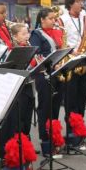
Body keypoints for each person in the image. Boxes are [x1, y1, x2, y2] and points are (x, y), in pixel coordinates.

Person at [29, 8, 64, 155]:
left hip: (57, 73)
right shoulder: (36, 34)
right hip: (44, 75)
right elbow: (36, 54)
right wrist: (52, 62)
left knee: (55, 107)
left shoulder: (56, 32)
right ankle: (45, 141)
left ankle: (54, 137)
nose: (54, 21)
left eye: (54, 18)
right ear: (42, 20)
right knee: (45, 107)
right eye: (50, 18)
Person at [59, 0, 86, 117]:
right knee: (71, 97)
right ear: (70, 3)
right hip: (70, 60)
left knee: (82, 95)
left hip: (84, 58)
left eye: (82, 1)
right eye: (78, 1)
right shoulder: (62, 20)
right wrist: (71, 51)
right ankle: (71, 129)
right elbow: (60, 41)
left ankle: (79, 126)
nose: (82, 3)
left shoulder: (84, 17)